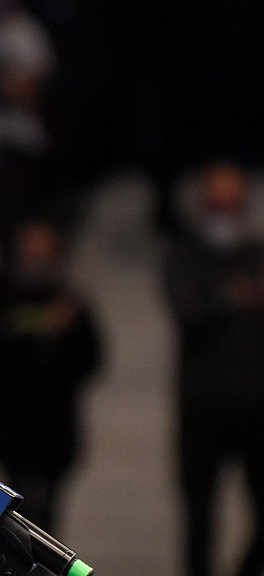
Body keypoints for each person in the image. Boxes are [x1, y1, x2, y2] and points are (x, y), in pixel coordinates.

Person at [164, 160, 264, 576]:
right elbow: (187, 311)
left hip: (256, 406)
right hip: (202, 406)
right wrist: (228, 299)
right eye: (216, 202)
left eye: (232, 202)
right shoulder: (185, 254)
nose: (224, 211)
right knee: (199, 519)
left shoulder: (256, 254)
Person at [0, 219, 101, 532]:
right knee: (9, 513)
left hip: (55, 425)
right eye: (29, 253)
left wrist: (65, 335)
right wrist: (44, 328)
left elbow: (91, 360)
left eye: (43, 254)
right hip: (10, 421)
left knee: (47, 515)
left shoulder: (71, 300)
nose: (35, 261)